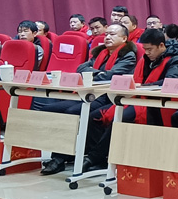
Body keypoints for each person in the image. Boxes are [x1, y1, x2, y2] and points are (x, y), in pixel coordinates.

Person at [39, 23, 138, 175]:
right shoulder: (100, 53)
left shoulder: (128, 55)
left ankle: (59, 158)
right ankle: (64, 152)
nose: (107, 37)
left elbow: (111, 76)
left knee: (72, 112)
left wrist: (92, 73)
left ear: (124, 38)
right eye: (106, 34)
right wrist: (98, 73)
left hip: (107, 97)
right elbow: (81, 68)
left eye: (112, 34)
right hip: (88, 94)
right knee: (49, 109)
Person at [83, 30, 178, 172]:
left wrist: (144, 87)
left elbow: (173, 80)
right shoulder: (145, 59)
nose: (147, 53)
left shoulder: (175, 60)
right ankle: (102, 159)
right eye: (145, 49)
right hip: (137, 99)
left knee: (120, 119)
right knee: (94, 116)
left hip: (156, 104)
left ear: (161, 46)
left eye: (150, 49)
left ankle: (93, 158)